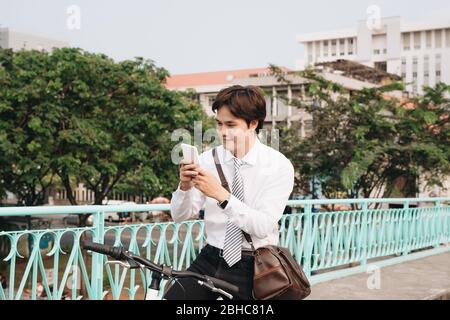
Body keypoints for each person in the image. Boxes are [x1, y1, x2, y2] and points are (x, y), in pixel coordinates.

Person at [164, 85, 294, 300]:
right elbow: (180, 216)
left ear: (253, 124)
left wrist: (221, 196)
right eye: (219, 124)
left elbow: (262, 226)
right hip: (210, 257)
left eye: (231, 125)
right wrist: (184, 187)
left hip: (254, 265)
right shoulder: (207, 160)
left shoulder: (278, 166)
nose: (223, 132)